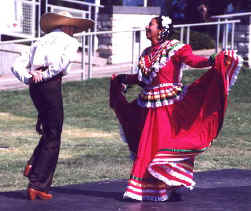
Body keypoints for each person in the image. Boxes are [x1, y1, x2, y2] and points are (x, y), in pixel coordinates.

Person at [110, 16, 243, 201]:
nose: (147, 27)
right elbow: (142, 79)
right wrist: (121, 78)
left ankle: (162, 186)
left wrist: (211, 60)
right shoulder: (147, 51)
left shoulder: (175, 47)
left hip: (168, 106)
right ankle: (149, 187)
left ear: (162, 29)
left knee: (160, 145)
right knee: (146, 146)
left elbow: (193, 60)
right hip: (148, 105)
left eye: (151, 24)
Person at [11, 11, 94, 200]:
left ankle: (35, 165)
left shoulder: (40, 41)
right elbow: (61, 65)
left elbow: (16, 65)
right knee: (54, 133)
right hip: (49, 85)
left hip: (35, 86)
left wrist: (29, 77)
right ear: (66, 26)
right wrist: (45, 76)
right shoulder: (70, 42)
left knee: (49, 129)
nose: (74, 31)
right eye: (73, 27)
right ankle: (38, 183)